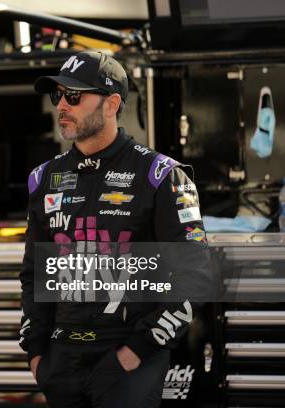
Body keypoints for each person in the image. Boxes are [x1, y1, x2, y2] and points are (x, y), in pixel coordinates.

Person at [18, 51, 212, 407]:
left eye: (74, 96)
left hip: (125, 359)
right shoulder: (44, 178)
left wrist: (138, 349)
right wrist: (37, 353)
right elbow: (35, 273)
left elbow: (195, 278)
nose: (62, 104)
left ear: (112, 104)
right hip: (62, 360)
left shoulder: (161, 175)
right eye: (57, 95)